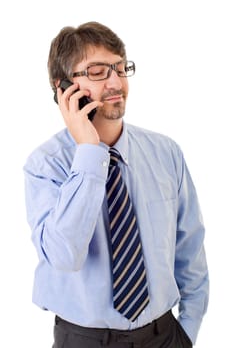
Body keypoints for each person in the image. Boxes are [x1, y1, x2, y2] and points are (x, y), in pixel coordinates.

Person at [23, 21, 209, 348]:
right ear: (63, 87)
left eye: (120, 68)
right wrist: (88, 154)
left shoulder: (166, 152)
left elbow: (189, 247)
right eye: (96, 71)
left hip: (164, 336)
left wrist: (187, 330)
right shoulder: (46, 165)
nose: (115, 81)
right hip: (83, 340)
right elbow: (64, 256)